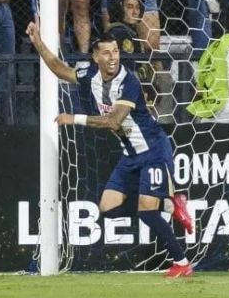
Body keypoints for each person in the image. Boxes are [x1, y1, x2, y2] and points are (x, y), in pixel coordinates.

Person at [26, 22, 195, 278]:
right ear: (95, 57)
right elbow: (60, 69)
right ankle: (171, 204)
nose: (113, 57)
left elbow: (114, 121)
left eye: (116, 51)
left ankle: (182, 262)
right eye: (107, 53)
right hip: (130, 156)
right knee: (108, 208)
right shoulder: (89, 77)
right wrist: (38, 42)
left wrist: (76, 118)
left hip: (153, 152)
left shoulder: (128, 82)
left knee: (146, 211)